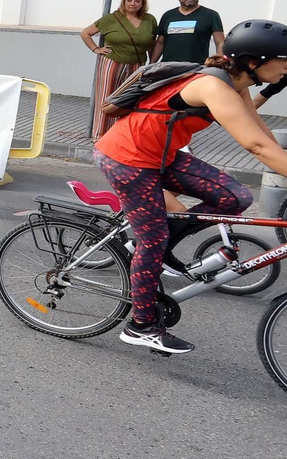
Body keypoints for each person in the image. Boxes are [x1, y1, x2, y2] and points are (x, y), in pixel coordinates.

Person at [94, 20, 287, 355]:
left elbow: (264, 137)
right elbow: (256, 147)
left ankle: (151, 246)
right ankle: (140, 326)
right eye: (284, 60)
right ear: (254, 61)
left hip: (161, 156)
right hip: (127, 158)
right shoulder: (212, 86)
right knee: (153, 241)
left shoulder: (236, 84)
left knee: (234, 198)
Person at [82, 0, 156, 139]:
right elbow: (85, 33)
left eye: (137, 1)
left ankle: (123, 135)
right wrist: (96, 49)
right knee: (107, 96)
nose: (133, 4)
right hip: (112, 61)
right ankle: (101, 135)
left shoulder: (150, 20)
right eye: (129, 0)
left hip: (137, 64)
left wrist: (152, 62)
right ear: (124, 2)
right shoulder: (111, 18)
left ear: (142, 4)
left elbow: (152, 42)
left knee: (131, 98)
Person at [151, 0, 224, 64]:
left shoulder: (211, 15)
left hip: (197, 67)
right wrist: (151, 63)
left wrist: (220, 62)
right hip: (168, 66)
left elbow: (220, 42)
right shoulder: (168, 15)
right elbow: (160, 43)